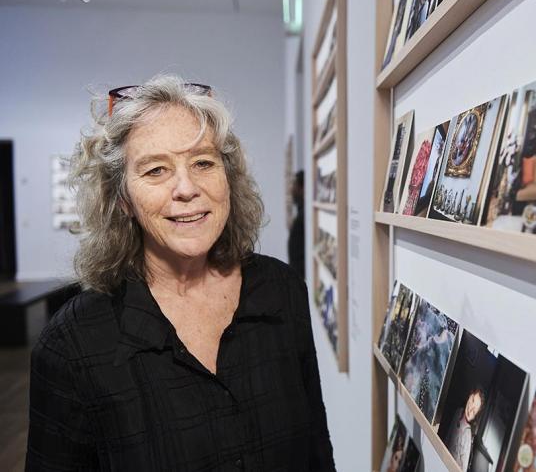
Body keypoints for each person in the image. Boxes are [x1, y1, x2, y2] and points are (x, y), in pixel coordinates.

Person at [25, 75, 336, 471]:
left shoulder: (282, 290)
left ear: (228, 176)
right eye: (156, 170)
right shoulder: (71, 345)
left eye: (203, 162)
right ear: (123, 200)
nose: (186, 188)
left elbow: (316, 449)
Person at [445, 387, 485, 471]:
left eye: (474, 411)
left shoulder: (467, 435)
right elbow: (447, 438)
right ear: (470, 395)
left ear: (475, 417)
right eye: (473, 400)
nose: (470, 409)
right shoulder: (458, 412)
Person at [288, 170, 305, 277]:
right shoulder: (301, 212)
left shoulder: (305, 216)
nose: (292, 189)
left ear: (303, 188)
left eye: (295, 184)